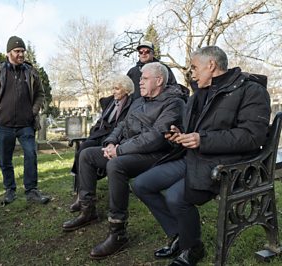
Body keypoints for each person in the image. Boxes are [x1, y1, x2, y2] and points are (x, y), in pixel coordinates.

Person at [131, 46, 271, 266]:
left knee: (176, 198)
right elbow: (193, 129)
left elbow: (252, 137)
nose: (192, 73)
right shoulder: (200, 93)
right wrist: (179, 134)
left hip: (226, 165)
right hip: (193, 158)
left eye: (194, 67)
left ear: (211, 65)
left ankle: (192, 247)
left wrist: (202, 140)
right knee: (141, 184)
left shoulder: (251, 90)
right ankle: (179, 234)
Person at [62, 63, 186, 254]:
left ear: (159, 80)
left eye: (144, 78)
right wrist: (110, 143)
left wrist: (119, 151)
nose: (140, 82)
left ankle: (117, 231)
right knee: (87, 154)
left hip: (156, 155)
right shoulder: (139, 101)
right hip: (128, 149)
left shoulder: (174, 103)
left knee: (116, 165)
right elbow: (121, 126)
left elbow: (155, 137)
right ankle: (88, 211)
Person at [0, 35, 49, 205]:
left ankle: (32, 191)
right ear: (8, 53)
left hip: (26, 125)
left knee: (31, 155)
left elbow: (41, 94)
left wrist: (33, 111)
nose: (21, 54)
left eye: (22, 51)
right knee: (5, 160)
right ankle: (9, 190)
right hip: (4, 124)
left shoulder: (31, 72)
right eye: (17, 51)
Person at [69, 75, 134, 212]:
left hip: (115, 137)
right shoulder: (110, 102)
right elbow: (101, 120)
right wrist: (94, 130)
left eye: (117, 88)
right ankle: (81, 197)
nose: (113, 91)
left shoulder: (132, 104)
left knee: (89, 153)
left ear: (126, 90)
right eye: (113, 88)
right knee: (83, 148)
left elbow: (124, 126)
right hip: (101, 134)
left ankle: (85, 196)